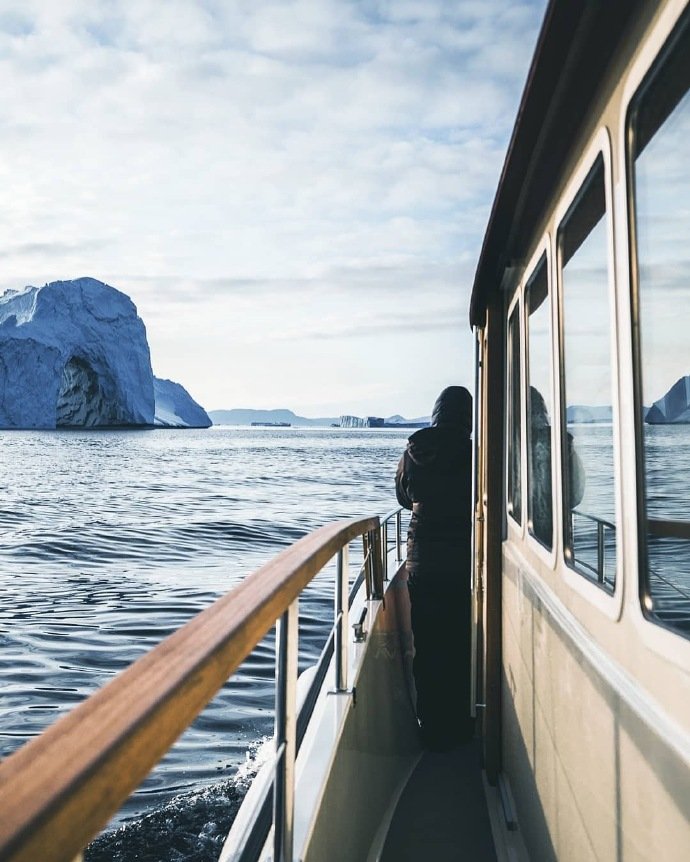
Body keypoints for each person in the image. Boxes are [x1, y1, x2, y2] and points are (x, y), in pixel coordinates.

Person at [395, 386, 474, 750]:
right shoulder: (474, 452)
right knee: (459, 643)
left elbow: (402, 495)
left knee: (427, 643)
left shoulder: (413, 451)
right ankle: (459, 723)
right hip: (463, 560)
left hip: (423, 561)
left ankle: (430, 725)